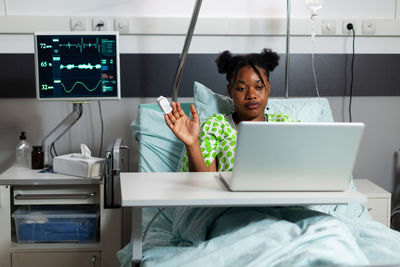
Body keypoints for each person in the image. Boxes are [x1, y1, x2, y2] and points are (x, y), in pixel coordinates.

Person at [164, 48, 292, 172]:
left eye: (258, 87)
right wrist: (192, 144)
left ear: (268, 88)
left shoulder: (285, 124)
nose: (251, 95)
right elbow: (203, 181)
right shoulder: (216, 127)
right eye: (241, 88)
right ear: (230, 90)